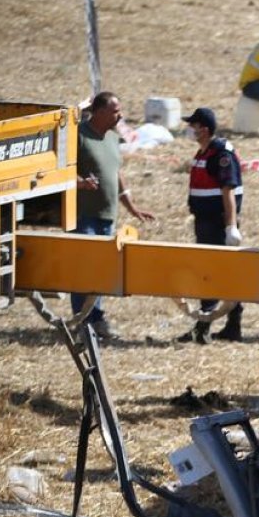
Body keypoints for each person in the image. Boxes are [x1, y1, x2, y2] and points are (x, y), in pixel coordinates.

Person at [73, 91, 155, 339]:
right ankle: (81, 321)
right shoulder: (79, 136)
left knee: (101, 271)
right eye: (115, 111)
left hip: (107, 216)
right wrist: (81, 183)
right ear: (98, 112)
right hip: (82, 215)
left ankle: (97, 319)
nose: (120, 115)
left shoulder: (112, 138)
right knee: (83, 269)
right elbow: (63, 172)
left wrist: (132, 207)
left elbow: (117, 175)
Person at [179, 107, 245, 344]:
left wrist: (231, 227)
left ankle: (204, 326)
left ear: (204, 129)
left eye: (193, 126)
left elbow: (228, 191)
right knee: (220, 273)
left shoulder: (220, 154)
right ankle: (228, 325)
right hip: (205, 222)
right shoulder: (204, 152)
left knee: (212, 273)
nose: (190, 130)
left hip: (218, 223)